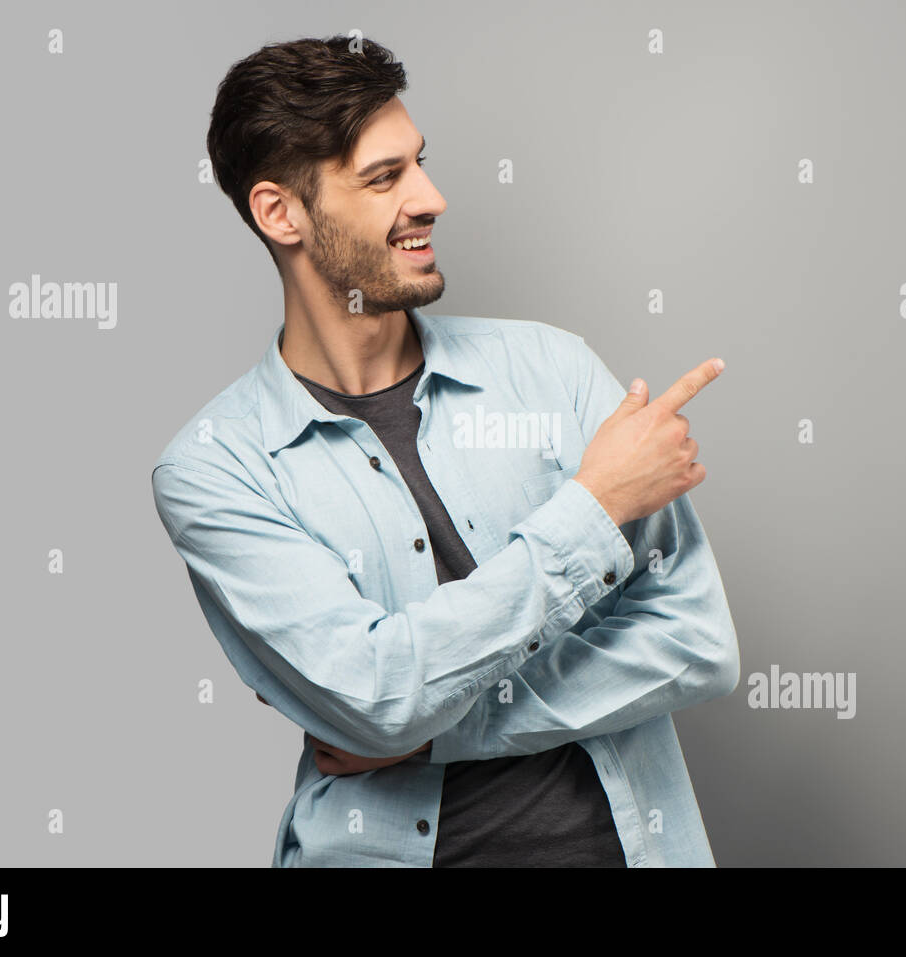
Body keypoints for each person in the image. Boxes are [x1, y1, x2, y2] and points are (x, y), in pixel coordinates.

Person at [151, 34, 740, 867]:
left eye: (419, 163)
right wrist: (594, 509)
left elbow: (696, 641)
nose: (432, 198)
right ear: (280, 212)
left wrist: (444, 737)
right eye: (385, 177)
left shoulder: (553, 369)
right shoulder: (215, 469)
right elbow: (376, 697)